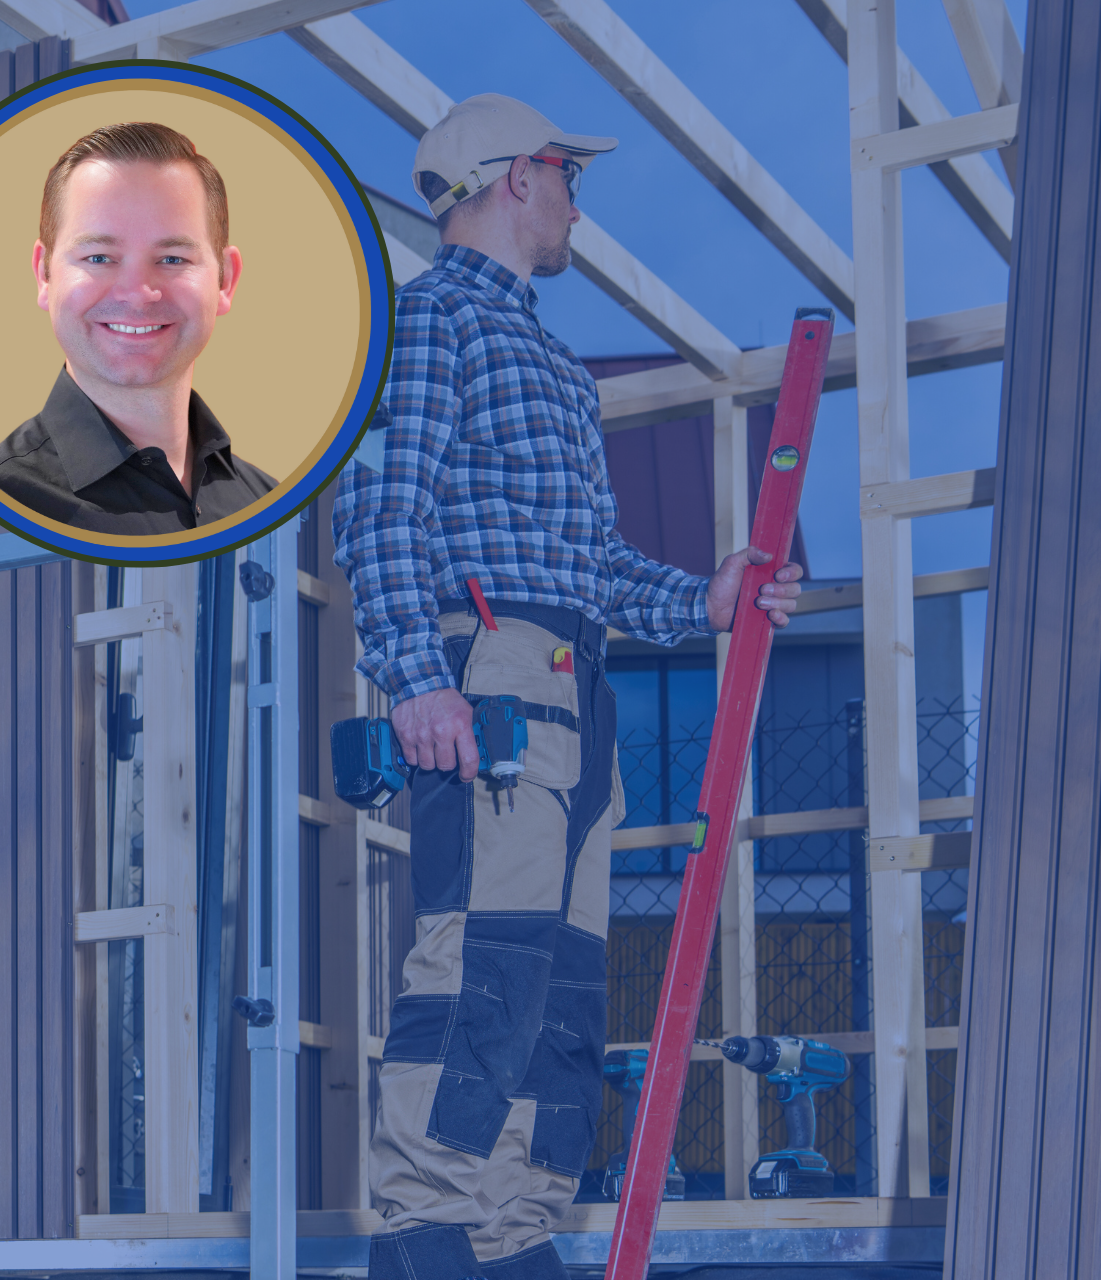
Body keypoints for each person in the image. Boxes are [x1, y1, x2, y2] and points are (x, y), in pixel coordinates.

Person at [333, 93, 804, 1280]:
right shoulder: (430, 317)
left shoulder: (547, 356)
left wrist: (703, 597)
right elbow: (381, 507)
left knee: (563, 972)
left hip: (570, 676)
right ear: (512, 179)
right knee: (483, 948)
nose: (578, 194)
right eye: (566, 170)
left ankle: (510, 1225)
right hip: (490, 670)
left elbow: (588, 565)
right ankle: (431, 1229)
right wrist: (413, 676)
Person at [0, 122, 275, 532]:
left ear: (225, 281)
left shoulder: (268, 504)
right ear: (44, 275)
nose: (137, 293)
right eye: (99, 257)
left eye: (172, 259)